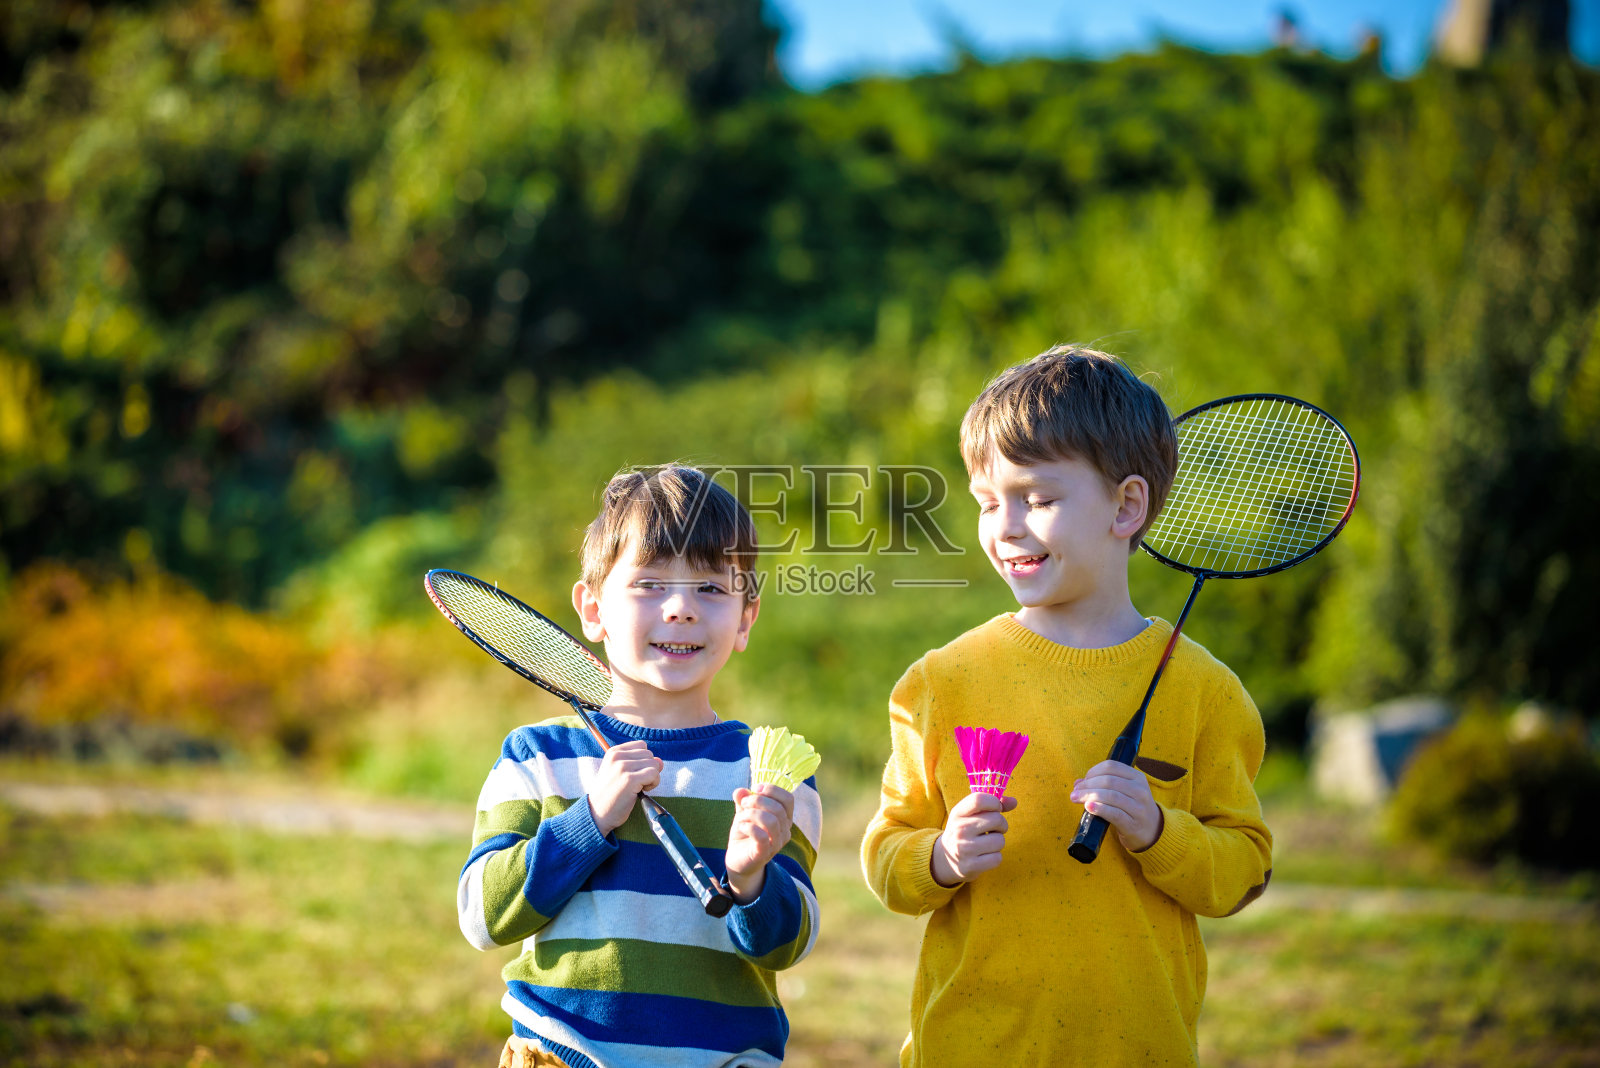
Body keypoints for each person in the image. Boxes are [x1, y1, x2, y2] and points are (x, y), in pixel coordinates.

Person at [861, 346, 1273, 1067]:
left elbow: (1244, 868)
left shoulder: (1205, 690)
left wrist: (1157, 831)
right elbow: (887, 856)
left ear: (1127, 505)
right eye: (989, 502)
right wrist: (942, 857)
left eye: (1039, 499)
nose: (1006, 525)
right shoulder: (941, 682)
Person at [459, 465, 821, 1068]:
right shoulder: (538, 758)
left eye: (710, 589)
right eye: (650, 584)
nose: (681, 608)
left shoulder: (769, 771)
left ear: (746, 617)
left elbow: (790, 944)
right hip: (562, 1056)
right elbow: (482, 916)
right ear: (593, 608)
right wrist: (590, 821)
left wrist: (751, 878)